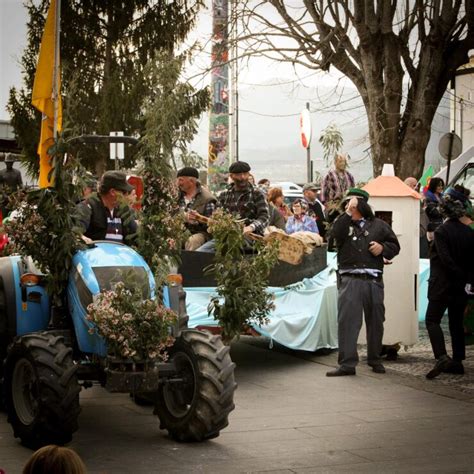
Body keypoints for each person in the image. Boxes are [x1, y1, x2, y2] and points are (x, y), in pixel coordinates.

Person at [326, 188, 400, 377]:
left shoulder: (379, 225)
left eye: (354, 203)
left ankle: (375, 359)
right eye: (348, 203)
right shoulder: (343, 223)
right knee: (348, 322)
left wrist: (383, 247)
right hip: (350, 279)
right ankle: (347, 364)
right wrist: (348, 213)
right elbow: (335, 235)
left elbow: (395, 245)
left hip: (373, 281)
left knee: (376, 321)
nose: (350, 205)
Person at [424, 186, 474, 379]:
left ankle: (442, 356)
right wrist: (466, 280)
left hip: (442, 285)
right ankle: (458, 361)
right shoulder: (469, 232)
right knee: (456, 323)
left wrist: (457, 274)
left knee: (432, 320)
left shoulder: (441, 231)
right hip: (460, 287)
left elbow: (445, 260)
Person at [197, 161, 269, 252]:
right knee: (201, 252)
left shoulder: (257, 194)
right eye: (239, 174)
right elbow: (216, 216)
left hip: (251, 238)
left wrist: (251, 227)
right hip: (227, 237)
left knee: (232, 248)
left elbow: (264, 217)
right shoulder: (224, 195)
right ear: (231, 176)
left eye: (245, 174)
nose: (242, 177)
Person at [76, 170, 137, 245]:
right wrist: (81, 237)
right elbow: (75, 231)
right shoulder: (88, 206)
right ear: (112, 192)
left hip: (121, 255)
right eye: (124, 192)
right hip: (96, 255)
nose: (126, 195)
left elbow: (136, 236)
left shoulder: (124, 211)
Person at [176, 166, 217, 250]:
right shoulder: (176, 196)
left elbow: (212, 225)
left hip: (200, 233)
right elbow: (170, 213)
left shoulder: (207, 199)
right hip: (180, 231)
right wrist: (183, 216)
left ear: (191, 181)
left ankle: (190, 263)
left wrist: (198, 219)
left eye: (181, 180)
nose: (178, 183)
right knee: (170, 240)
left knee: (193, 241)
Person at [404, 176, 430, 258]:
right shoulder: (406, 199)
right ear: (407, 185)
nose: (416, 187)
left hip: (419, 234)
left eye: (416, 185)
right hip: (413, 235)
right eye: (414, 185)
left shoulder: (416, 198)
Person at [0, 154, 23, 219]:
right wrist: (4, 194)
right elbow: (0, 184)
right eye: (8, 162)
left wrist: (23, 189)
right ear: (5, 163)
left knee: (14, 217)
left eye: (11, 162)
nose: (9, 164)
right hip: (5, 198)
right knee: (5, 217)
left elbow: (20, 184)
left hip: (14, 197)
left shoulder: (17, 172)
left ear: (13, 163)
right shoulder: (1, 172)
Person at [423, 177, 444, 241]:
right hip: (432, 229)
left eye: (441, 185)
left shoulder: (442, 197)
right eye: (438, 185)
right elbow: (435, 212)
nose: (441, 187)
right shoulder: (428, 198)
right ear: (433, 186)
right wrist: (445, 210)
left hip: (442, 227)